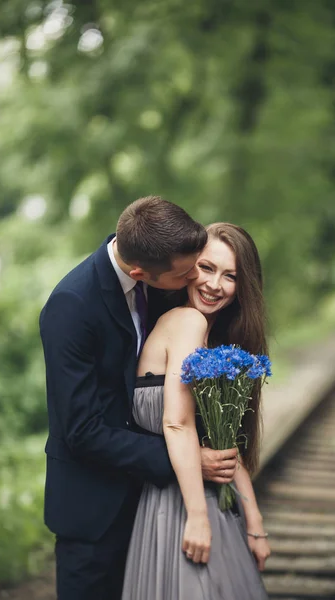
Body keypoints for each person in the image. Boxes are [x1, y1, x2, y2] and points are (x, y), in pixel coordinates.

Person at [39, 197, 240, 600]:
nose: (191, 282)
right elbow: (83, 431)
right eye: (186, 274)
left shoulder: (161, 265)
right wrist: (186, 459)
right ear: (139, 272)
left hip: (155, 507)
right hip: (93, 511)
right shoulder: (71, 307)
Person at [122, 223, 271, 600]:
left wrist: (254, 523)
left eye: (230, 275)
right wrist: (199, 519)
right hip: (180, 504)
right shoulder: (187, 322)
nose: (214, 285)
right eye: (207, 268)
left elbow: (221, 443)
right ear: (189, 267)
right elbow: (176, 422)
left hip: (199, 501)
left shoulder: (212, 338)